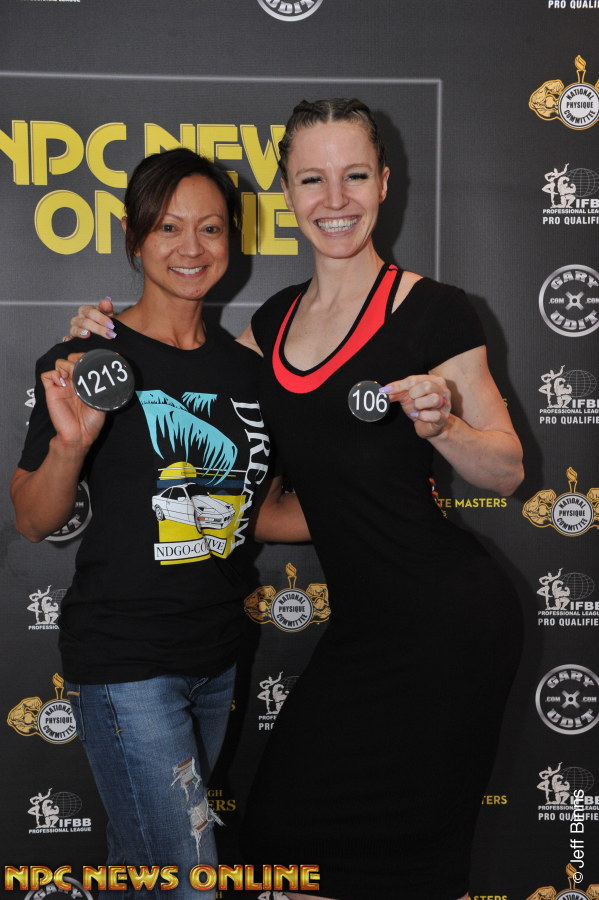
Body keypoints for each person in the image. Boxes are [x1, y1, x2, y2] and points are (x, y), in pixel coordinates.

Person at [65, 98, 524, 900]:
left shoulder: (435, 310)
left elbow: (508, 470)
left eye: (354, 176)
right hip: (360, 630)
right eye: (312, 179)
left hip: (449, 625)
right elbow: (192, 379)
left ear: (384, 184)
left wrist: (444, 426)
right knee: (283, 836)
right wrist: (103, 342)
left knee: (415, 862)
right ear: (286, 192)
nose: (334, 199)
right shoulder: (272, 324)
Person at [11, 148, 308, 900]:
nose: (191, 247)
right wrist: (71, 447)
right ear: (134, 237)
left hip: (217, 655)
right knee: (186, 880)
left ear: (232, 240)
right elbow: (33, 519)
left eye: (210, 228)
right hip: (127, 662)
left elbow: (252, 514)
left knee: (146, 866)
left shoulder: (248, 374)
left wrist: (375, 509)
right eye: (169, 227)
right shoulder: (87, 360)